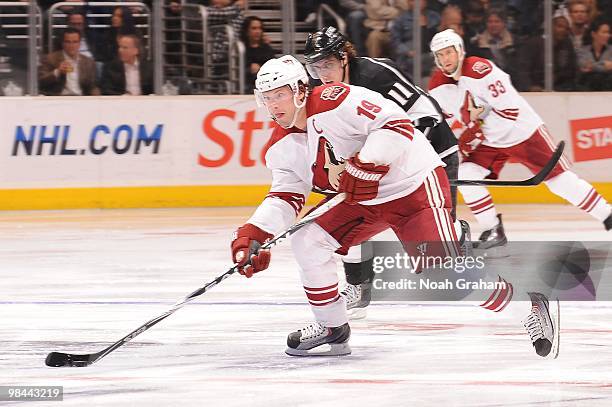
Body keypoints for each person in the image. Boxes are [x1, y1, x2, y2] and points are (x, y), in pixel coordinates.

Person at [232, 55, 560, 359]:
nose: (274, 105)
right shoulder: (281, 146)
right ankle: (333, 327)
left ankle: (528, 304)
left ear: (301, 90)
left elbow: (397, 125)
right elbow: (286, 196)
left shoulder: (338, 100)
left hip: (412, 185)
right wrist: (255, 233)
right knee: (308, 241)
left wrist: (366, 163)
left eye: (280, 94)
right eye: (267, 97)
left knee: (443, 272)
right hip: (363, 200)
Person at [304, 26, 468, 319]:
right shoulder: (325, 91)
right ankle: (359, 286)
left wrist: (398, 160)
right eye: (315, 66)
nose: (322, 73)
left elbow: (425, 114)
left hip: (430, 157)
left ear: (344, 58)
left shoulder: (375, 75)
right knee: (348, 219)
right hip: (380, 165)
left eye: (327, 64)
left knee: (439, 257)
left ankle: (457, 234)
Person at [427, 29, 612, 251]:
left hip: (523, 132)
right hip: (489, 139)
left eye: (449, 52)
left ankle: (607, 214)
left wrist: (476, 125)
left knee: (560, 183)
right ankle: (492, 228)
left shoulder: (480, 70)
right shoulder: (438, 85)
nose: (445, 59)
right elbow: (445, 121)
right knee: (467, 175)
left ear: (460, 51)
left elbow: (509, 110)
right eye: (440, 55)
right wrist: (460, 137)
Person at [39, 28, 100, 96]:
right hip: (59, 99)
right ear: (63, 43)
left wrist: (98, 99)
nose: (71, 45)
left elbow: (92, 86)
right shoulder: (50, 59)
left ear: (79, 44)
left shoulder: (88, 62)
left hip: (81, 99)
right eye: (68, 42)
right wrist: (58, 72)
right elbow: (41, 81)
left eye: (75, 42)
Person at [240, 16, 276, 94]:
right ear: (246, 31)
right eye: (254, 28)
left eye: (260, 28)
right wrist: (248, 68)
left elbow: (273, 67)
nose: (258, 31)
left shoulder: (267, 48)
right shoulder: (240, 48)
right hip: (245, 85)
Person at [576, 17, 612, 91]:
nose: (608, 35)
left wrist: (592, 66)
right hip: (587, 89)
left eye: (608, 32)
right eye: (604, 32)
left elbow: (589, 67)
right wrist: (604, 64)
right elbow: (583, 65)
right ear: (594, 34)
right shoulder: (582, 51)